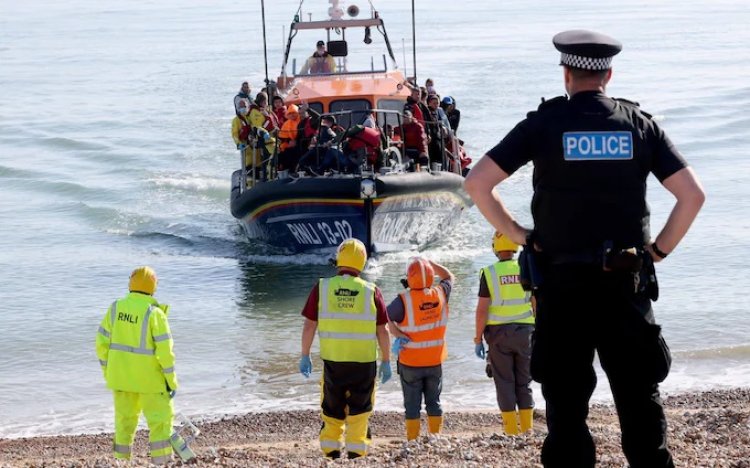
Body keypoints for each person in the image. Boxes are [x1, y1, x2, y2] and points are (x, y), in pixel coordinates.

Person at [464, 30, 705, 468]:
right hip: (625, 288)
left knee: (567, 413)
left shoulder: (543, 124)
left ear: (567, 76)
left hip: (562, 291)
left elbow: (477, 183)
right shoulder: (639, 125)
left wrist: (519, 234)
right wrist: (659, 251)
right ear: (608, 75)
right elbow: (692, 196)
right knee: (640, 407)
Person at [299, 238, 392, 459]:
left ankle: (330, 451)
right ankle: (357, 453)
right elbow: (383, 330)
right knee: (360, 410)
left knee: (332, 408)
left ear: (339, 260)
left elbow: (309, 325)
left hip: (334, 362)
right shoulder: (372, 291)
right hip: (364, 363)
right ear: (363, 262)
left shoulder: (322, 287)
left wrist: (304, 355)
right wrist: (387, 360)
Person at [95, 267, 179, 465]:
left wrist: (109, 373)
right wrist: (171, 382)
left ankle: (121, 462)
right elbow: (166, 353)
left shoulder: (115, 308)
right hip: (151, 382)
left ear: (130, 284)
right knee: (160, 422)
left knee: (124, 423)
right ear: (153, 287)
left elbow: (101, 344)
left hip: (121, 380)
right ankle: (162, 462)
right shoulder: (155, 313)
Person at [474, 233, 535, 436]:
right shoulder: (525, 268)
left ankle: (510, 431)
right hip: (526, 332)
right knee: (524, 382)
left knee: (504, 381)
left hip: (499, 335)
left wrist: (477, 338)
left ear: (495, 247)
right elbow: (535, 302)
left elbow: (482, 309)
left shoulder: (489, 273)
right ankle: (527, 429)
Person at [387, 257, 454, 440]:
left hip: (410, 362)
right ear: (431, 276)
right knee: (434, 402)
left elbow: (384, 316)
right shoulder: (440, 293)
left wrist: (397, 334)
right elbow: (448, 276)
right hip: (434, 361)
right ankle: (435, 437)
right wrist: (431, 265)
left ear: (409, 278)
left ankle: (413, 440)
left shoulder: (403, 301)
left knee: (412, 404)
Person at [277, 104, 301, 171]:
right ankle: (282, 169)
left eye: (294, 112)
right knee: (281, 154)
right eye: (290, 113)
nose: (292, 115)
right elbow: (281, 136)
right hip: (288, 144)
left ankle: (293, 170)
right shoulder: (286, 123)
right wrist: (289, 141)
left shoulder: (301, 120)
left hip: (299, 143)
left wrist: (296, 141)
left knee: (292, 153)